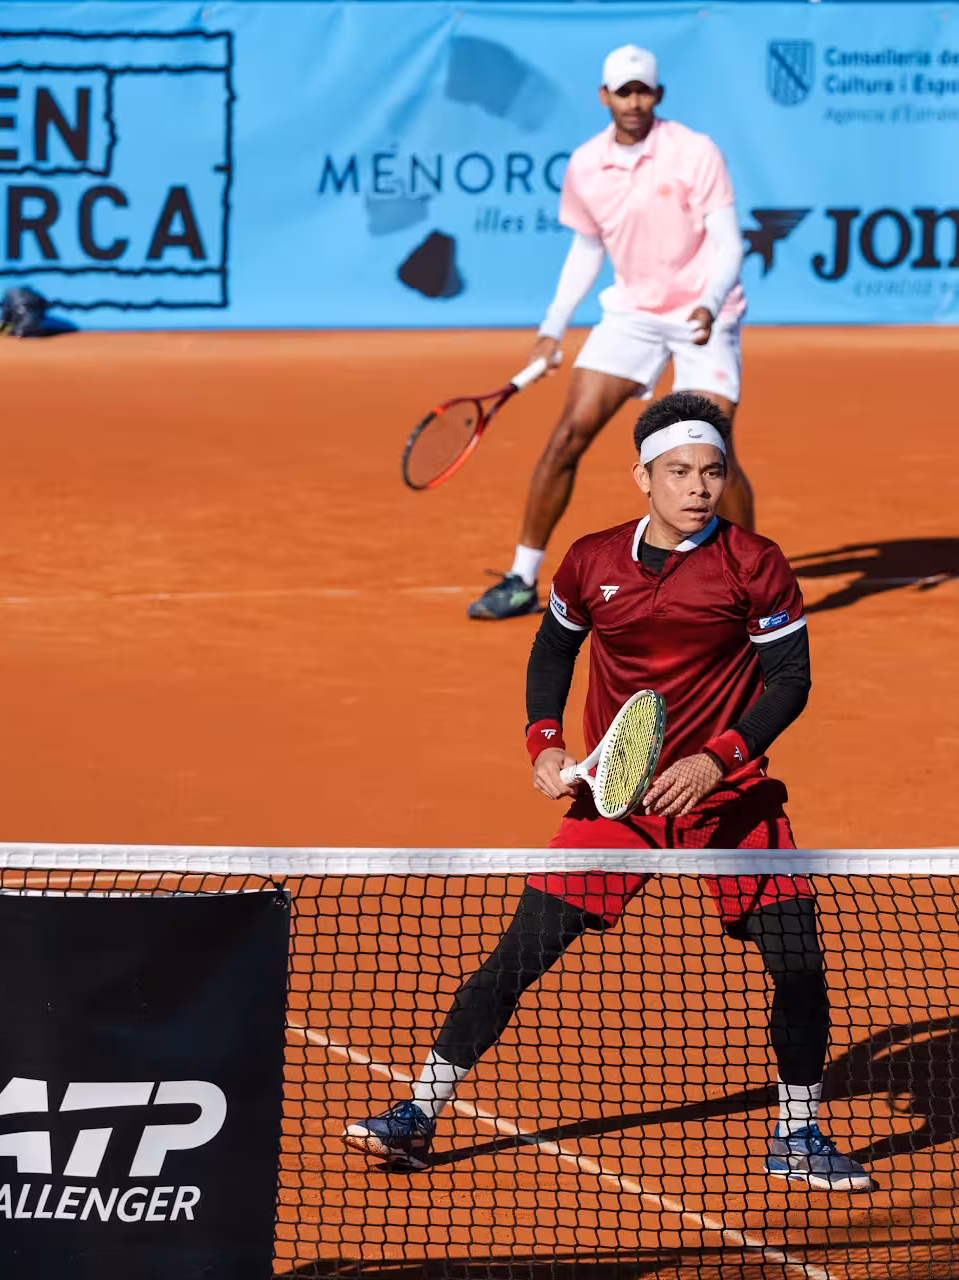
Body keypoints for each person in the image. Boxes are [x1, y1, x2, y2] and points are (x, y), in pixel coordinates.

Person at [348, 393, 871, 1192]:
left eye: (712, 472)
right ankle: (417, 1113)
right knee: (520, 955)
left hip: (730, 800)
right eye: (679, 472)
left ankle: (797, 1133)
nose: (698, 487)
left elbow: (790, 680)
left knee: (798, 961)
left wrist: (717, 760)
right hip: (615, 799)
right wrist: (544, 742)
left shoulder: (753, 562)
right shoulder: (591, 561)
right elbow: (553, 650)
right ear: (643, 477)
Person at [467, 44, 752, 621]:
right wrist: (552, 327)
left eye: (643, 91)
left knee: (709, 446)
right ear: (605, 97)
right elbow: (587, 248)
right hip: (632, 314)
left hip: (703, 312)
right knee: (568, 434)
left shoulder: (695, 151)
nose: (634, 102)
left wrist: (707, 303)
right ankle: (521, 578)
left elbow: (729, 243)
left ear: (658, 95)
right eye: (624, 92)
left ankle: (750, 584)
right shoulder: (585, 165)